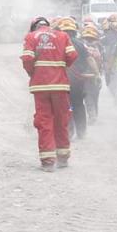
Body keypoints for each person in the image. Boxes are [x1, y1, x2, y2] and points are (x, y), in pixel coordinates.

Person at [21, 16, 78, 172]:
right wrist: (61, 68)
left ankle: (48, 161)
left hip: (40, 87)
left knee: (44, 121)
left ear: (34, 27)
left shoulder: (31, 37)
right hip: (60, 85)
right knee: (62, 120)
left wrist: (34, 72)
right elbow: (72, 56)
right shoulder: (62, 36)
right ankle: (63, 158)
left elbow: (27, 59)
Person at [56, 17, 90, 140]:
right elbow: (89, 60)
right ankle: (81, 132)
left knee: (67, 106)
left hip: (63, 81)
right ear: (74, 31)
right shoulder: (81, 44)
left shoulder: (59, 43)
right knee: (79, 105)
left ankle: (69, 132)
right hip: (79, 81)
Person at [81, 24, 103, 124]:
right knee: (94, 97)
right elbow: (102, 61)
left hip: (85, 76)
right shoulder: (99, 48)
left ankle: (92, 115)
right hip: (95, 76)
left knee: (88, 97)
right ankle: (94, 115)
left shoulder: (81, 47)